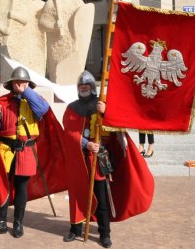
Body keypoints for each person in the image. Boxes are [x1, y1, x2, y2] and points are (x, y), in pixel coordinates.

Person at [61, 71, 154, 248]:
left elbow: (118, 126)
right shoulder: (72, 108)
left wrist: (107, 113)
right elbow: (69, 131)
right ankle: (75, 229)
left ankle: (105, 233)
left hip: (99, 159)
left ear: (93, 87)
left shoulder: (103, 105)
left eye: (86, 85)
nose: (83, 87)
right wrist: (85, 143)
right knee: (78, 195)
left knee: (102, 197)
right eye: (81, 85)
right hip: (80, 158)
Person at [0, 66, 52, 238]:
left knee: (22, 188)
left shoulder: (35, 101)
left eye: (23, 81)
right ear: (11, 83)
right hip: (6, 150)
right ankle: (0, 223)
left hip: (26, 150)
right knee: (1, 185)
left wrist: (26, 91)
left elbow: (43, 110)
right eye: (17, 81)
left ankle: (18, 223)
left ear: (28, 83)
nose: (20, 83)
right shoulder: (2, 101)